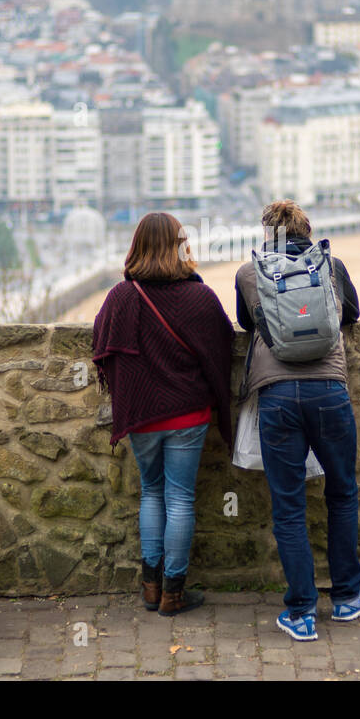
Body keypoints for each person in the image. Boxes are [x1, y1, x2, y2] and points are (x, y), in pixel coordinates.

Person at [234, 199, 360, 641]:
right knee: (342, 492)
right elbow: (351, 314)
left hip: (277, 396)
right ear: (307, 229)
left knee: (289, 504)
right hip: (329, 392)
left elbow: (247, 324)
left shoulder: (249, 273)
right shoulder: (330, 265)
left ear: (266, 234)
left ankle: (301, 613)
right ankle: (347, 597)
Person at [93, 212, 234, 616]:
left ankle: (150, 588)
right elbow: (222, 343)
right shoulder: (200, 297)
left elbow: (102, 343)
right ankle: (174, 592)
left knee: (152, 493)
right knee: (180, 498)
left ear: (137, 246)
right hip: (188, 415)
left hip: (142, 416)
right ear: (179, 245)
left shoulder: (121, 297)